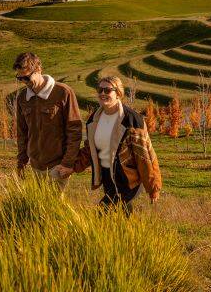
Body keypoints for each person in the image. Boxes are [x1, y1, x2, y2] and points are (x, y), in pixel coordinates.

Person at [59, 76, 161, 214]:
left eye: (107, 90)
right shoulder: (94, 119)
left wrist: (153, 188)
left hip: (128, 177)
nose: (102, 93)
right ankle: (131, 234)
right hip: (107, 176)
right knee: (123, 214)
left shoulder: (132, 120)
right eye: (100, 90)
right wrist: (72, 167)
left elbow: (144, 155)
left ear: (118, 93)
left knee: (103, 212)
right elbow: (90, 150)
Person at [13, 52, 82, 190]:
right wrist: (21, 162)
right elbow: (22, 133)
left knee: (54, 207)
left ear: (38, 69)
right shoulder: (22, 98)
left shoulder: (63, 92)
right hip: (35, 166)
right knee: (39, 207)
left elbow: (74, 131)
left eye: (27, 77)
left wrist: (67, 163)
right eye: (20, 78)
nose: (24, 82)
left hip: (58, 166)